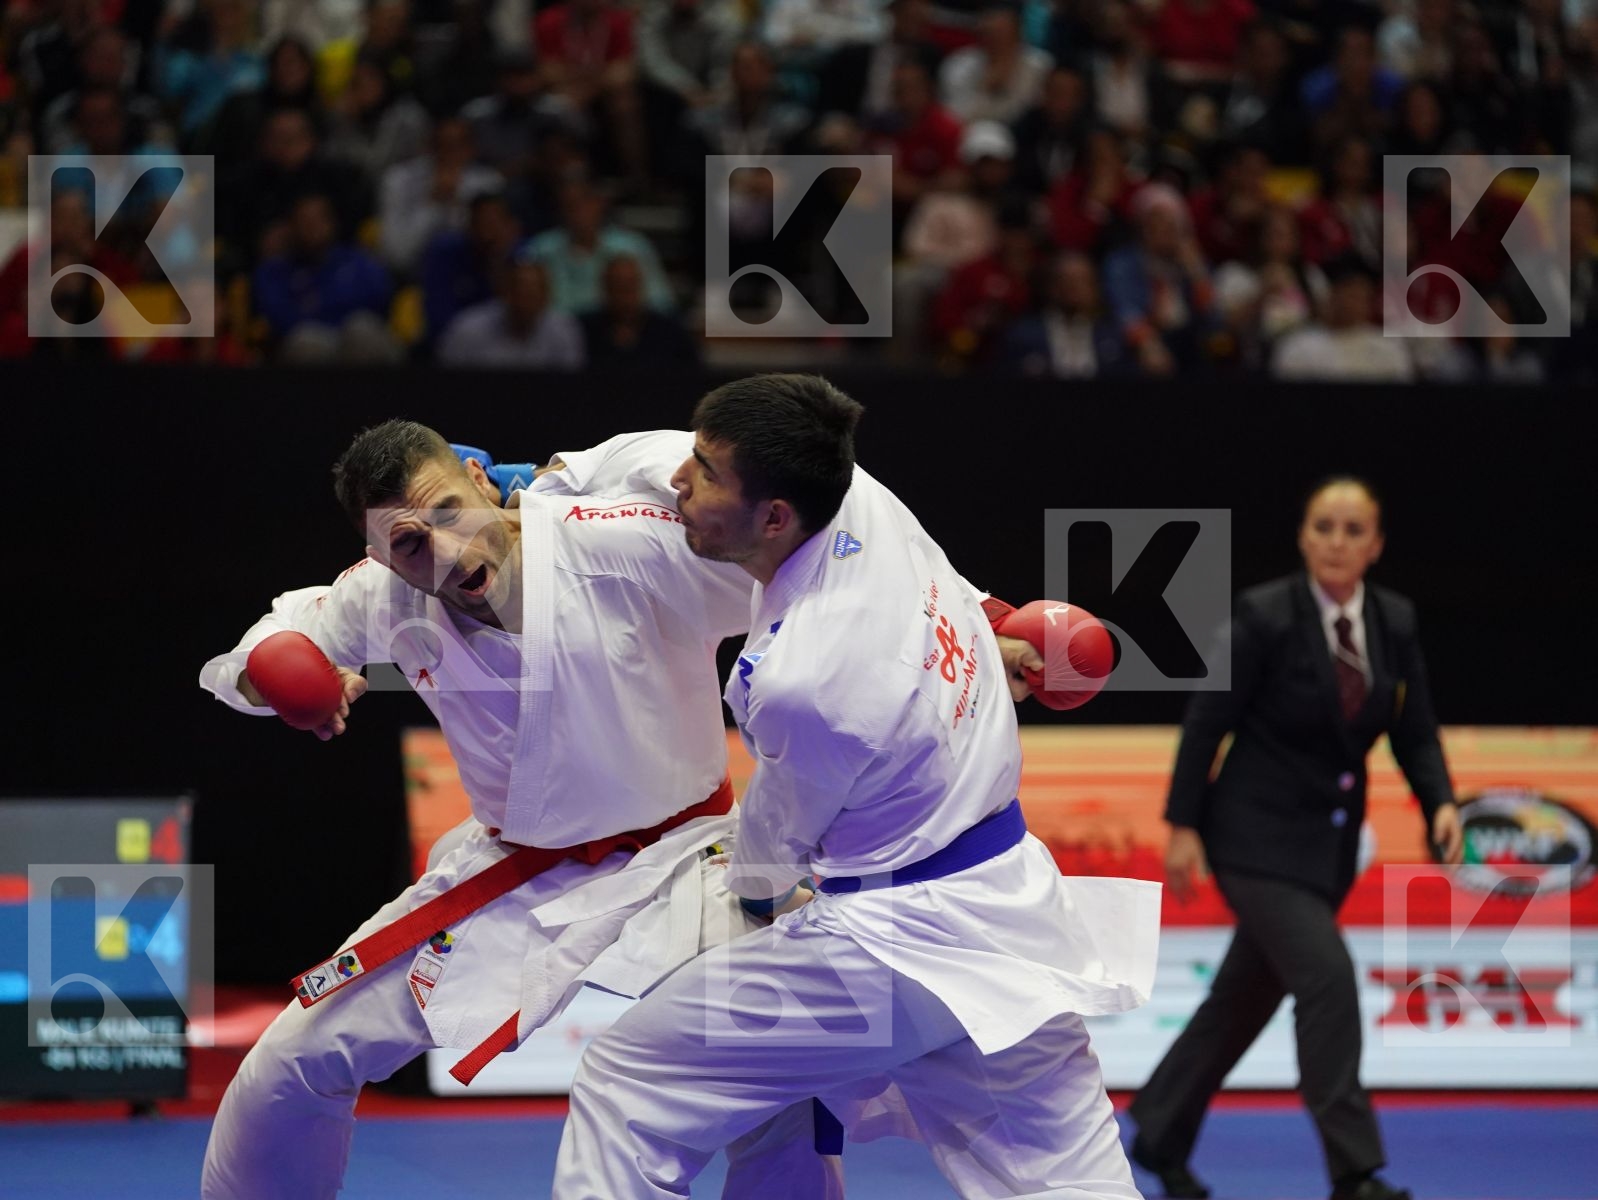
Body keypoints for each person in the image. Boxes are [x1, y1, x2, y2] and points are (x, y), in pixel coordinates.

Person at [198, 422, 844, 1199]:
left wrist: (982, 626)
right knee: (294, 1059)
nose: (441, 551)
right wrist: (280, 674)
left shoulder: (620, 547)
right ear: (378, 555)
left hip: (687, 862)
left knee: (774, 1081)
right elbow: (273, 636)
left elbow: (804, 565)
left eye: (447, 511)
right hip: (518, 877)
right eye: (408, 544)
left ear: (480, 479)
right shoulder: (386, 595)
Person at [552, 374, 1160, 1199]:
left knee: (629, 1085)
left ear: (774, 518)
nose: (678, 481)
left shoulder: (806, 677)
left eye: (706, 474)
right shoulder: (852, 489)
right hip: (1012, 912)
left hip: (887, 947)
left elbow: (771, 856)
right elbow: (662, 457)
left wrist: (748, 900)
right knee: (1062, 1182)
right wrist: (547, 480)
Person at [1127, 476, 1465, 1200]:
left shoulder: (1394, 620)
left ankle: (1157, 1132)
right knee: (1328, 980)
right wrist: (1182, 826)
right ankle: (1355, 1173)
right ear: (1304, 537)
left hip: (1326, 850)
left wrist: (1439, 800)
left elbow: (1414, 728)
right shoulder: (1265, 613)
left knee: (1241, 1000)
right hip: (1251, 840)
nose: (1336, 542)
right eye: (1323, 527)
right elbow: (1207, 720)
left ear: (1375, 545)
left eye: (1353, 530)